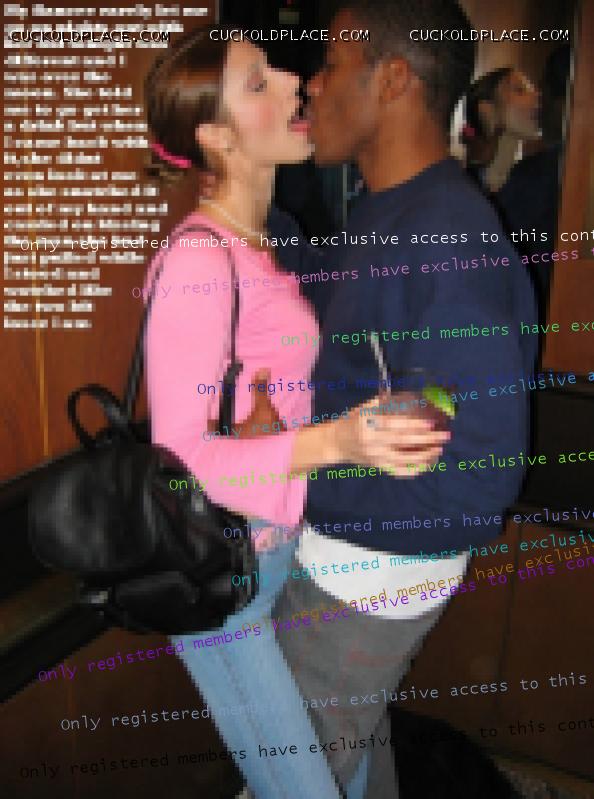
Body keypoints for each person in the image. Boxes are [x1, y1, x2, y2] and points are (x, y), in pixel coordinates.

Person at [142, 27, 449, 799]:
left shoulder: (261, 247)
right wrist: (337, 440)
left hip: (279, 552)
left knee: (351, 769)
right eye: (259, 82)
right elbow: (181, 455)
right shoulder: (200, 258)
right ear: (217, 136)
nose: (293, 83)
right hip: (225, 581)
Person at [266, 1, 539, 797]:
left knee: (291, 775)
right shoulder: (395, 212)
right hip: (356, 554)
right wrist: (251, 212)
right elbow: (355, 317)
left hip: (367, 572)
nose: (313, 84)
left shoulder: (445, 237)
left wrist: (297, 474)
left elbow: (473, 474)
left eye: (331, 63)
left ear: (390, 80)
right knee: (349, 761)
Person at [462, 66, 541, 193]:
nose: (537, 95)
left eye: (532, 90)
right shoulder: (467, 190)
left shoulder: (530, 180)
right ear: (486, 109)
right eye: (519, 90)